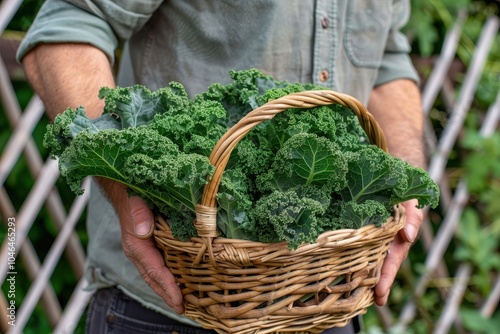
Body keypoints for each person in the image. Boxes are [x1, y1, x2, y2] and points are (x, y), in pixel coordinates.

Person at [17, 1, 426, 333]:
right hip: (174, 306)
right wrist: (127, 194)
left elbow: (389, 63)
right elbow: (68, 25)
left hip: (327, 298)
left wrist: (403, 186)